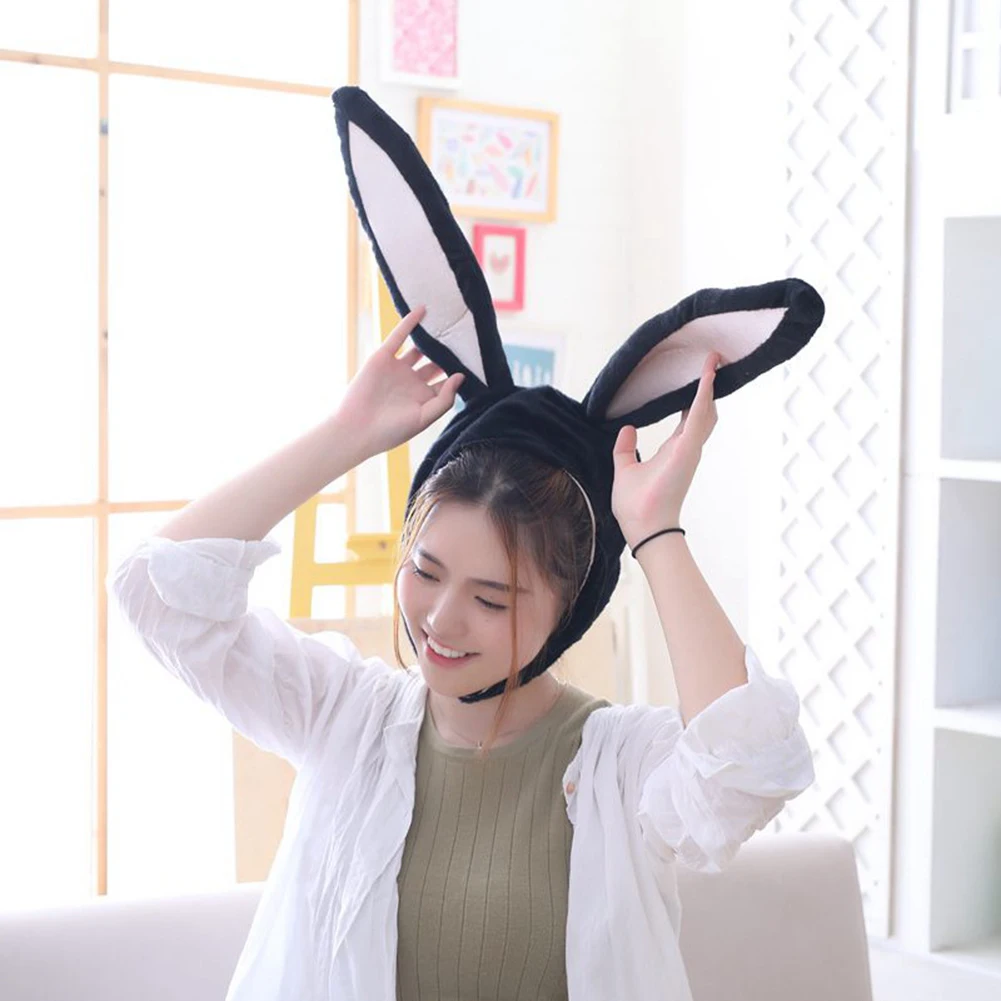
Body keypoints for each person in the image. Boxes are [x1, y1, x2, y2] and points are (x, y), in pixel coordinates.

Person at [109, 305, 815, 1001]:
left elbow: (745, 769)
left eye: (492, 599)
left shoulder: (617, 768)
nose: (440, 620)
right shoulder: (344, 715)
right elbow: (157, 593)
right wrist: (344, 435)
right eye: (425, 570)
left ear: (567, 613)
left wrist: (655, 529)